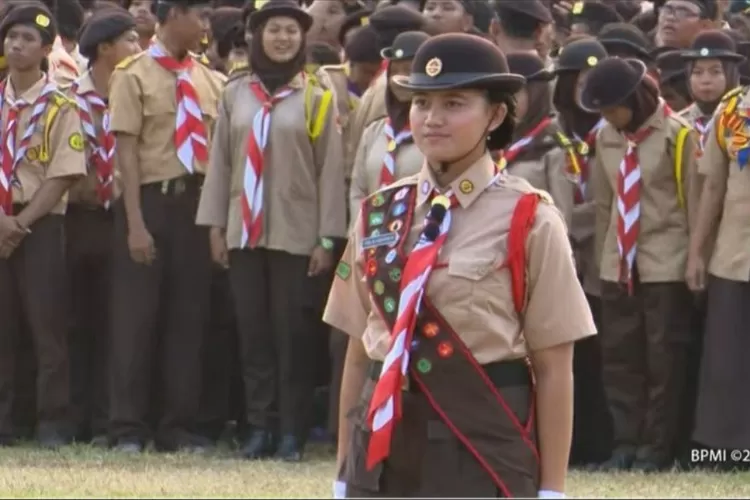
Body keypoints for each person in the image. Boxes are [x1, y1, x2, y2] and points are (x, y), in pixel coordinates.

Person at [325, 32, 596, 498]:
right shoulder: (379, 212)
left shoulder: (529, 217)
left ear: (495, 114)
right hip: (382, 445)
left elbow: (554, 367)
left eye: (454, 103)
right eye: (422, 103)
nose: (432, 119)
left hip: (477, 440)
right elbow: (357, 351)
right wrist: (343, 471)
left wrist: (552, 489)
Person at [196, 0, 346, 462]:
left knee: (292, 338)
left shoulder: (318, 96)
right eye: (274, 30)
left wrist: (327, 237)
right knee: (254, 335)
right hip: (245, 232)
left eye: (292, 31)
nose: (283, 38)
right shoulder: (235, 93)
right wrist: (216, 225)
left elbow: (330, 171)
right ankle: (260, 428)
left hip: (296, 236)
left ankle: (291, 432)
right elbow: (220, 161)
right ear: (255, 36)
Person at [107, 0, 225, 453]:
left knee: (188, 318)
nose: (204, 26)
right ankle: (127, 427)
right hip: (150, 202)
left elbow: (217, 157)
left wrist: (214, 224)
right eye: (199, 16)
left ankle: (177, 424)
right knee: (135, 321)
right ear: (173, 14)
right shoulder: (133, 74)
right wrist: (135, 224)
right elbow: (127, 156)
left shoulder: (209, 79)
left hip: (196, 206)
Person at [581, 56, 698, 472]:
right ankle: (625, 442)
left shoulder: (678, 136)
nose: (610, 117)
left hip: (665, 263)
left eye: (615, 107)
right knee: (620, 357)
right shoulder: (607, 137)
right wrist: (602, 263)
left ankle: (656, 446)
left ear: (638, 97)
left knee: (663, 359)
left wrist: (694, 262)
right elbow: (603, 204)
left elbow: (695, 205)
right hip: (618, 265)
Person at [0, 1, 87, 448]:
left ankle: (53, 421)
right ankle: (6, 420)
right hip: (1, 220)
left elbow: (64, 172)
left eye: (27, 39)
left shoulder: (59, 105)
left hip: (40, 224)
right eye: (11, 37)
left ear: (46, 49)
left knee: (46, 325)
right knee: (4, 326)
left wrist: (20, 223)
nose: (17, 46)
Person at [65, 6, 140, 447]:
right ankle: (77, 416)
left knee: (121, 321)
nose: (138, 48)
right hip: (82, 218)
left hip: (126, 216)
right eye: (131, 40)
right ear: (105, 48)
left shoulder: (138, 90)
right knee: (78, 318)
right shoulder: (70, 99)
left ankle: (113, 418)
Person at [551, 36, 613, 467]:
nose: (587, 86)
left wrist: (581, 220)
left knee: (606, 356)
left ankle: (601, 442)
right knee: (568, 355)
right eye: (579, 78)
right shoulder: (551, 133)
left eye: (596, 78)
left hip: (604, 256)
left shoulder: (613, 130)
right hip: (561, 258)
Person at [687, 49, 750, 466]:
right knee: (727, 362)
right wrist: (696, 252)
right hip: (734, 255)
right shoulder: (732, 109)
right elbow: (712, 186)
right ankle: (726, 450)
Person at [349, 30, 428, 217]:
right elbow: (358, 190)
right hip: (372, 237)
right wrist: (361, 232)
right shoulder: (375, 131)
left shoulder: (438, 131)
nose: (398, 79)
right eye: (394, 71)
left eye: (409, 71)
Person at [503, 51, 575, 227]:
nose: (505, 105)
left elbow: (562, 216)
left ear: (535, 95)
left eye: (514, 96)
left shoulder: (553, 145)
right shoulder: (489, 141)